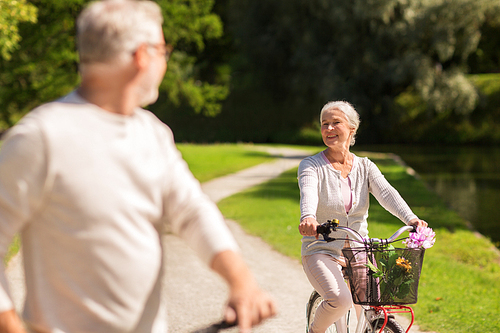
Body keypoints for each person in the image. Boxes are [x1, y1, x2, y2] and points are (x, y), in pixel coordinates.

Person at [0, 1, 276, 332]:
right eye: (163, 50)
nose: (165, 61)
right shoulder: (41, 136)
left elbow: (192, 211)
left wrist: (242, 283)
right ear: (142, 55)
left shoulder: (153, 134)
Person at [298, 101, 427, 333]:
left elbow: (387, 193)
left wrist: (411, 219)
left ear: (352, 129)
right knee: (341, 300)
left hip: (359, 249)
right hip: (321, 249)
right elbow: (308, 192)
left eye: (336, 122)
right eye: (324, 124)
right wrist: (308, 217)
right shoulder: (311, 166)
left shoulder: (365, 166)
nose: (329, 129)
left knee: (373, 309)